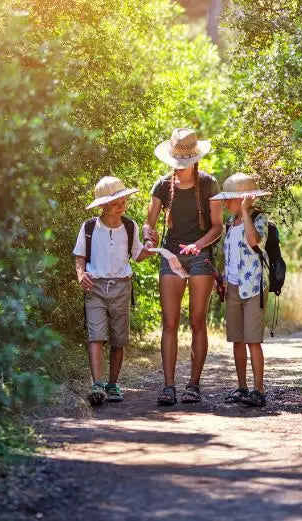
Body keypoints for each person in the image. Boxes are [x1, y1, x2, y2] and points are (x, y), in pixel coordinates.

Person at [143, 128, 222, 406]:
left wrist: (199, 245)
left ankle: (194, 384)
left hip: (200, 255)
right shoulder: (162, 186)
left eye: (185, 161)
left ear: (195, 158)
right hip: (171, 255)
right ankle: (168, 386)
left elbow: (217, 226)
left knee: (198, 320)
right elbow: (149, 223)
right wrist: (147, 235)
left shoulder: (209, 183)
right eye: (177, 161)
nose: (181, 167)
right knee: (170, 322)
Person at [73, 176, 154, 405]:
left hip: (121, 286)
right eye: (116, 201)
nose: (122, 204)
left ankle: (112, 384)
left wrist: (150, 249)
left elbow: (137, 255)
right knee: (95, 336)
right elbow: (80, 256)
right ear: (102, 205)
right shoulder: (89, 227)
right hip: (95, 287)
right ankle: (97, 384)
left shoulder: (130, 226)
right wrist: (81, 274)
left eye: (123, 200)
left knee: (119, 339)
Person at [211, 173, 272, 407]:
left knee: (252, 340)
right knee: (237, 340)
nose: (226, 203)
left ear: (244, 199)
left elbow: (254, 241)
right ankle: (242, 387)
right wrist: (224, 281)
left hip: (254, 286)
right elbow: (230, 256)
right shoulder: (229, 223)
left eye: (230, 199)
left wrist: (246, 212)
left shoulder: (258, 219)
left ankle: (259, 389)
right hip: (234, 287)